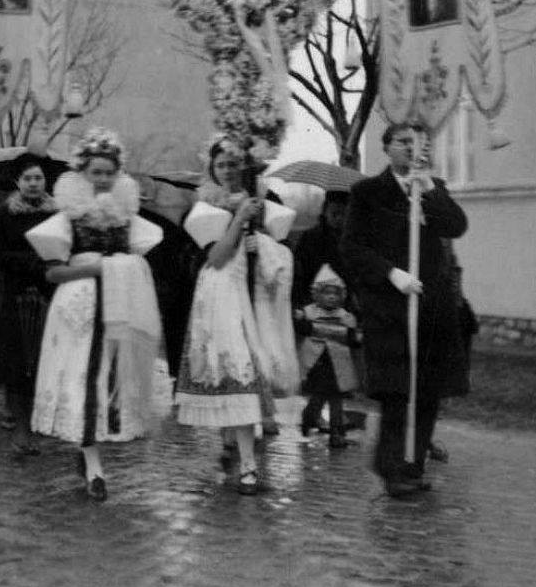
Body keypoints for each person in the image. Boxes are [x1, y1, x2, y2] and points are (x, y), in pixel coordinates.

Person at [27, 129, 162, 501]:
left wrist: (122, 269)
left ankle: (93, 452)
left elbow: (139, 260)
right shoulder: (67, 219)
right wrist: (95, 269)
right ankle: (92, 463)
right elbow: (52, 273)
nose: (102, 179)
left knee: (108, 379)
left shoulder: (130, 221)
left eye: (109, 173)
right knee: (82, 378)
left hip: (119, 307)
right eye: (95, 172)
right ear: (82, 174)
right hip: (79, 309)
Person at [342, 123, 468, 498]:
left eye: (418, 143)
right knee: (397, 391)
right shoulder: (367, 192)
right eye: (403, 142)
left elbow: (456, 226)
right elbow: (352, 247)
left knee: (427, 390)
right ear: (386, 147)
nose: (412, 149)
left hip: (430, 307)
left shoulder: (431, 187)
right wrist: (391, 274)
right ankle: (391, 467)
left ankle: (413, 465)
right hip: (390, 307)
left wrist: (428, 188)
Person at [174, 135, 301, 495]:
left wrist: (263, 242)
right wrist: (238, 221)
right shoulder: (205, 208)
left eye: (233, 164)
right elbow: (216, 257)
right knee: (236, 370)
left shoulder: (261, 201)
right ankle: (246, 464)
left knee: (253, 372)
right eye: (221, 165)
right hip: (223, 295)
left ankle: (242, 452)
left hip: (255, 292)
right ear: (211, 170)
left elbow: (280, 245)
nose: (228, 171)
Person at [0, 153, 57, 457]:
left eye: (38, 178)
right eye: (28, 178)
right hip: (15, 294)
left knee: (43, 358)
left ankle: (37, 420)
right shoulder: (3, 214)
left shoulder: (57, 214)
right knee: (17, 359)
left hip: (48, 292)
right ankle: (19, 425)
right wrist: (30, 261)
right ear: (18, 182)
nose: (33, 183)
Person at [294, 266, 361, 448]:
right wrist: (300, 320)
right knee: (319, 397)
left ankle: (336, 432)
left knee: (336, 399)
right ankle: (309, 419)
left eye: (335, 293)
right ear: (317, 294)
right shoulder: (309, 312)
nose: (331, 297)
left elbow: (353, 339)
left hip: (338, 364)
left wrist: (354, 334)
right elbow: (302, 329)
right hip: (317, 363)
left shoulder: (345, 316)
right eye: (327, 293)